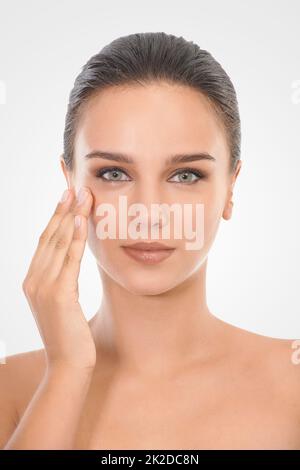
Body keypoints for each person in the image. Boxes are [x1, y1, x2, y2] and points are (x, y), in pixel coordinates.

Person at [1, 32, 299, 450]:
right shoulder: (8, 389)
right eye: (114, 173)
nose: (148, 214)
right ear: (69, 181)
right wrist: (66, 370)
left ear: (231, 187)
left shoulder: (294, 386)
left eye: (185, 175)